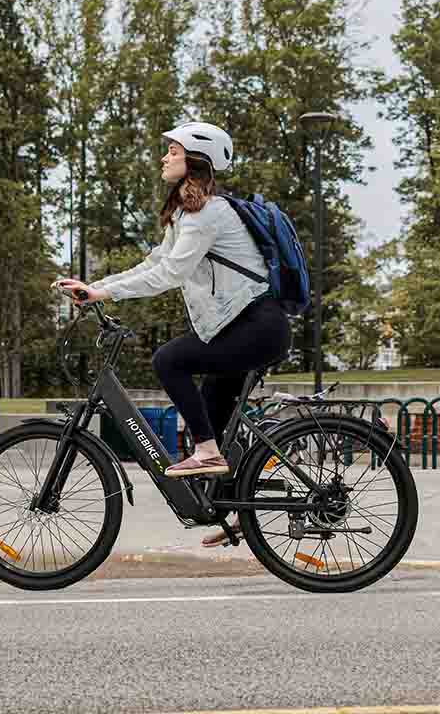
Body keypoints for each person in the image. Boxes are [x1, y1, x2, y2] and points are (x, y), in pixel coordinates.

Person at [57, 121, 291, 546]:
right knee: (209, 421)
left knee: (170, 360)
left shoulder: (209, 213)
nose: (165, 157)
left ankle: (210, 455)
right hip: (239, 327)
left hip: (257, 326)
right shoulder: (187, 212)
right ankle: (241, 509)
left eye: (173, 151)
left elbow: (171, 272)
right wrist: (97, 289)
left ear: (195, 161)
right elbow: (155, 263)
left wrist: (104, 293)